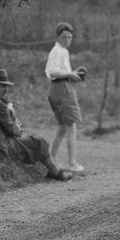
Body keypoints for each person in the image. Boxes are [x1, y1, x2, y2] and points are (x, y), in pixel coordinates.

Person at [0, 69, 73, 181]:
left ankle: (54, 166)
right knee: (39, 142)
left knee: (30, 139)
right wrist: (16, 124)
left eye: (7, 86)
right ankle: (56, 172)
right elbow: (14, 131)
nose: (6, 90)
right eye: (2, 86)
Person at [44, 21, 87, 173]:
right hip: (61, 88)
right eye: (64, 37)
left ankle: (51, 159)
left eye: (69, 37)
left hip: (61, 87)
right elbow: (53, 72)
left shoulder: (62, 51)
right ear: (58, 37)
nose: (67, 40)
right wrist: (69, 74)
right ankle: (72, 163)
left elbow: (59, 71)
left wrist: (72, 73)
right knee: (71, 127)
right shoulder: (58, 51)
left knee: (62, 128)